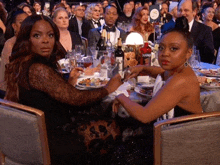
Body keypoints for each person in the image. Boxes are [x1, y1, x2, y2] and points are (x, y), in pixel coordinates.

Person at [4, 14, 122, 164]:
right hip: (51, 139)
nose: (46, 40)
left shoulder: (25, 63)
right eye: (37, 35)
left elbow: (47, 96)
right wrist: (108, 88)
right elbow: (77, 98)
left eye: (50, 35)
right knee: (113, 127)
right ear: (27, 39)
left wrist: (68, 83)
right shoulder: (38, 69)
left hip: (38, 133)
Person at [112, 17, 203, 164]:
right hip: (171, 133)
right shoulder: (178, 70)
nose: (164, 53)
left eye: (174, 48)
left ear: (188, 53)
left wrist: (120, 96)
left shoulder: (180, 80)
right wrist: (143, 68)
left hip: (183, 145)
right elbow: (161, 72)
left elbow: (145, 115)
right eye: (161, 48)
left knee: (119, 147)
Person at [0, 9, 28, 88]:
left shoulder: (34, 41)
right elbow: (6, 74)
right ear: (14, 26)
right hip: (11, 89)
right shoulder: (10, 44)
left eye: (27, 22)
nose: (25, 25)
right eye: (21, 22)